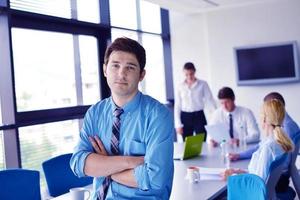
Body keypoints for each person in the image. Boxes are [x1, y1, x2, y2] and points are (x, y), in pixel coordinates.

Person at [70, 37, 174, 200]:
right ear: (105, 69)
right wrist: (129, 162)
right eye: (115, 65)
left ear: (141, 75)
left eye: (130, 68)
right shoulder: (95, 113)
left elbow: (155, 179)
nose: (121, 74)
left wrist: (105, 166)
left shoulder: (158, 115)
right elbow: (78, 164)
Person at [229, 92, 299, 194]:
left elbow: (259, 183)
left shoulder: (269, 147)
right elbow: (262, 175)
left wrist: (233, 177)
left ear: (265, 119)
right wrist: (241, 172)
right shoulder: (278, 141)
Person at [174, 62, 216, 141]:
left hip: (199, 116)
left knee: (201, 141)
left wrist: (217, 115)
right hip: (185, 117)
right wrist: (178, 125)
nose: (189, 76)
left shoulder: (203, 84)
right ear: (184, 73)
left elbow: (210, 100)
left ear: (194, 72)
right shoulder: (180, 86)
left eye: (191, 74)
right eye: (187, 74)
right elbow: (177, 106)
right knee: (186, 143)